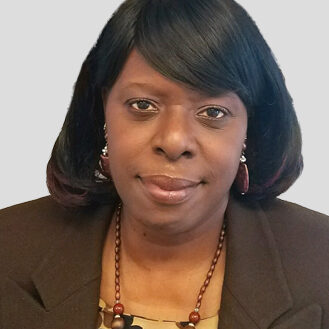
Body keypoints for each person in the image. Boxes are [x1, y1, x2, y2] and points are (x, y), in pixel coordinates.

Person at [0, 0, 328, 328]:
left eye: (213, 112)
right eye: (143, 105)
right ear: (104, 110)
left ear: (249, 127)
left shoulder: (320, 262)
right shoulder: (8, 246)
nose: (173, 142)